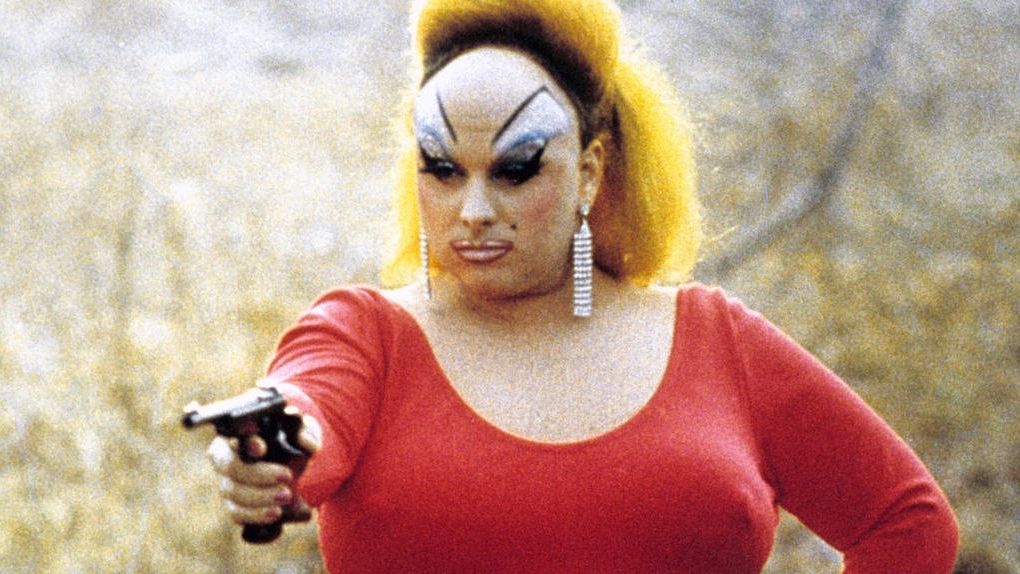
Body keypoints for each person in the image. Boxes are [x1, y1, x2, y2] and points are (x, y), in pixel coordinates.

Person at [203, 0, 959, 571]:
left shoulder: (717, 340)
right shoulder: (363, 335)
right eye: (442, 169)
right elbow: (306, 407)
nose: (473, 210)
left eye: (516, 169)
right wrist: (274, 454)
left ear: (591, 171)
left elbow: (907, 521)